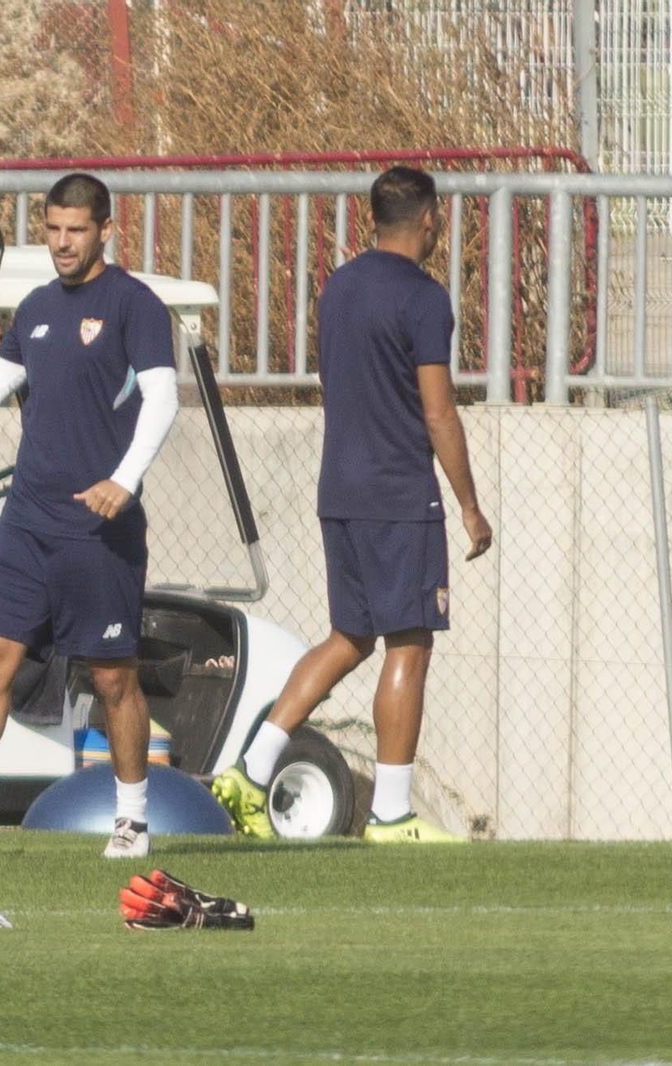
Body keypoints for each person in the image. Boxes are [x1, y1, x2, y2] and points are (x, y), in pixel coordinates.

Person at [0, 173, 180, 859]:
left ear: (106, 230)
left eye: (76, 230)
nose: (63, 242)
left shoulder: (134, 305)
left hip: (98, 527)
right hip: (27, 522)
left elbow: (163, 398)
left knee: (112, 678)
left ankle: (132, 822)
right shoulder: (40, 307)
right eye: (52, 230)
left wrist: (124, 480)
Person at [211, 165, 493, 844]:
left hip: (338, 488)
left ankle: (250, 770)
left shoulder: (338, 287)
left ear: (373, 218)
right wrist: (469, 504)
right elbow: (438, 411)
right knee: (410, 642)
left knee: (349, 637)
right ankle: (391, 814)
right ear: (430, 220)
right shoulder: (424, 298)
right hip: (397, 494)